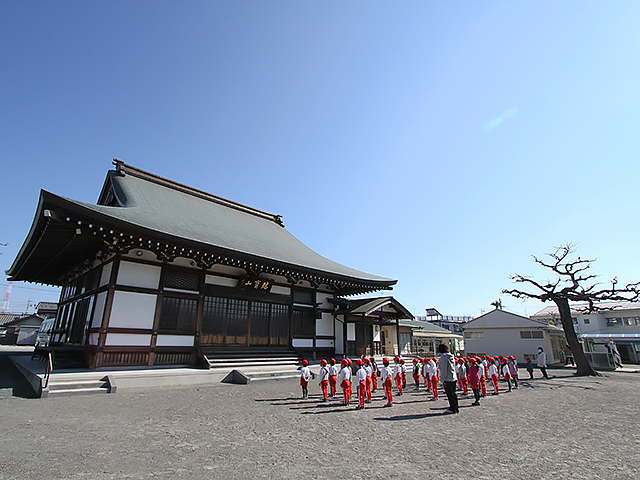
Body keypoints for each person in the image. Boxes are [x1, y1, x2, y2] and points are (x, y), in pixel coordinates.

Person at [438, 343, 459, 414]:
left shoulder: (443, 357)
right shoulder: (451, 356)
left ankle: (452, 408)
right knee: (454, 394)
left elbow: (444, 369)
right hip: (453, 377)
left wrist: (442, 379)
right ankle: (456, 407)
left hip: (448, 378)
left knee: (450, 394)